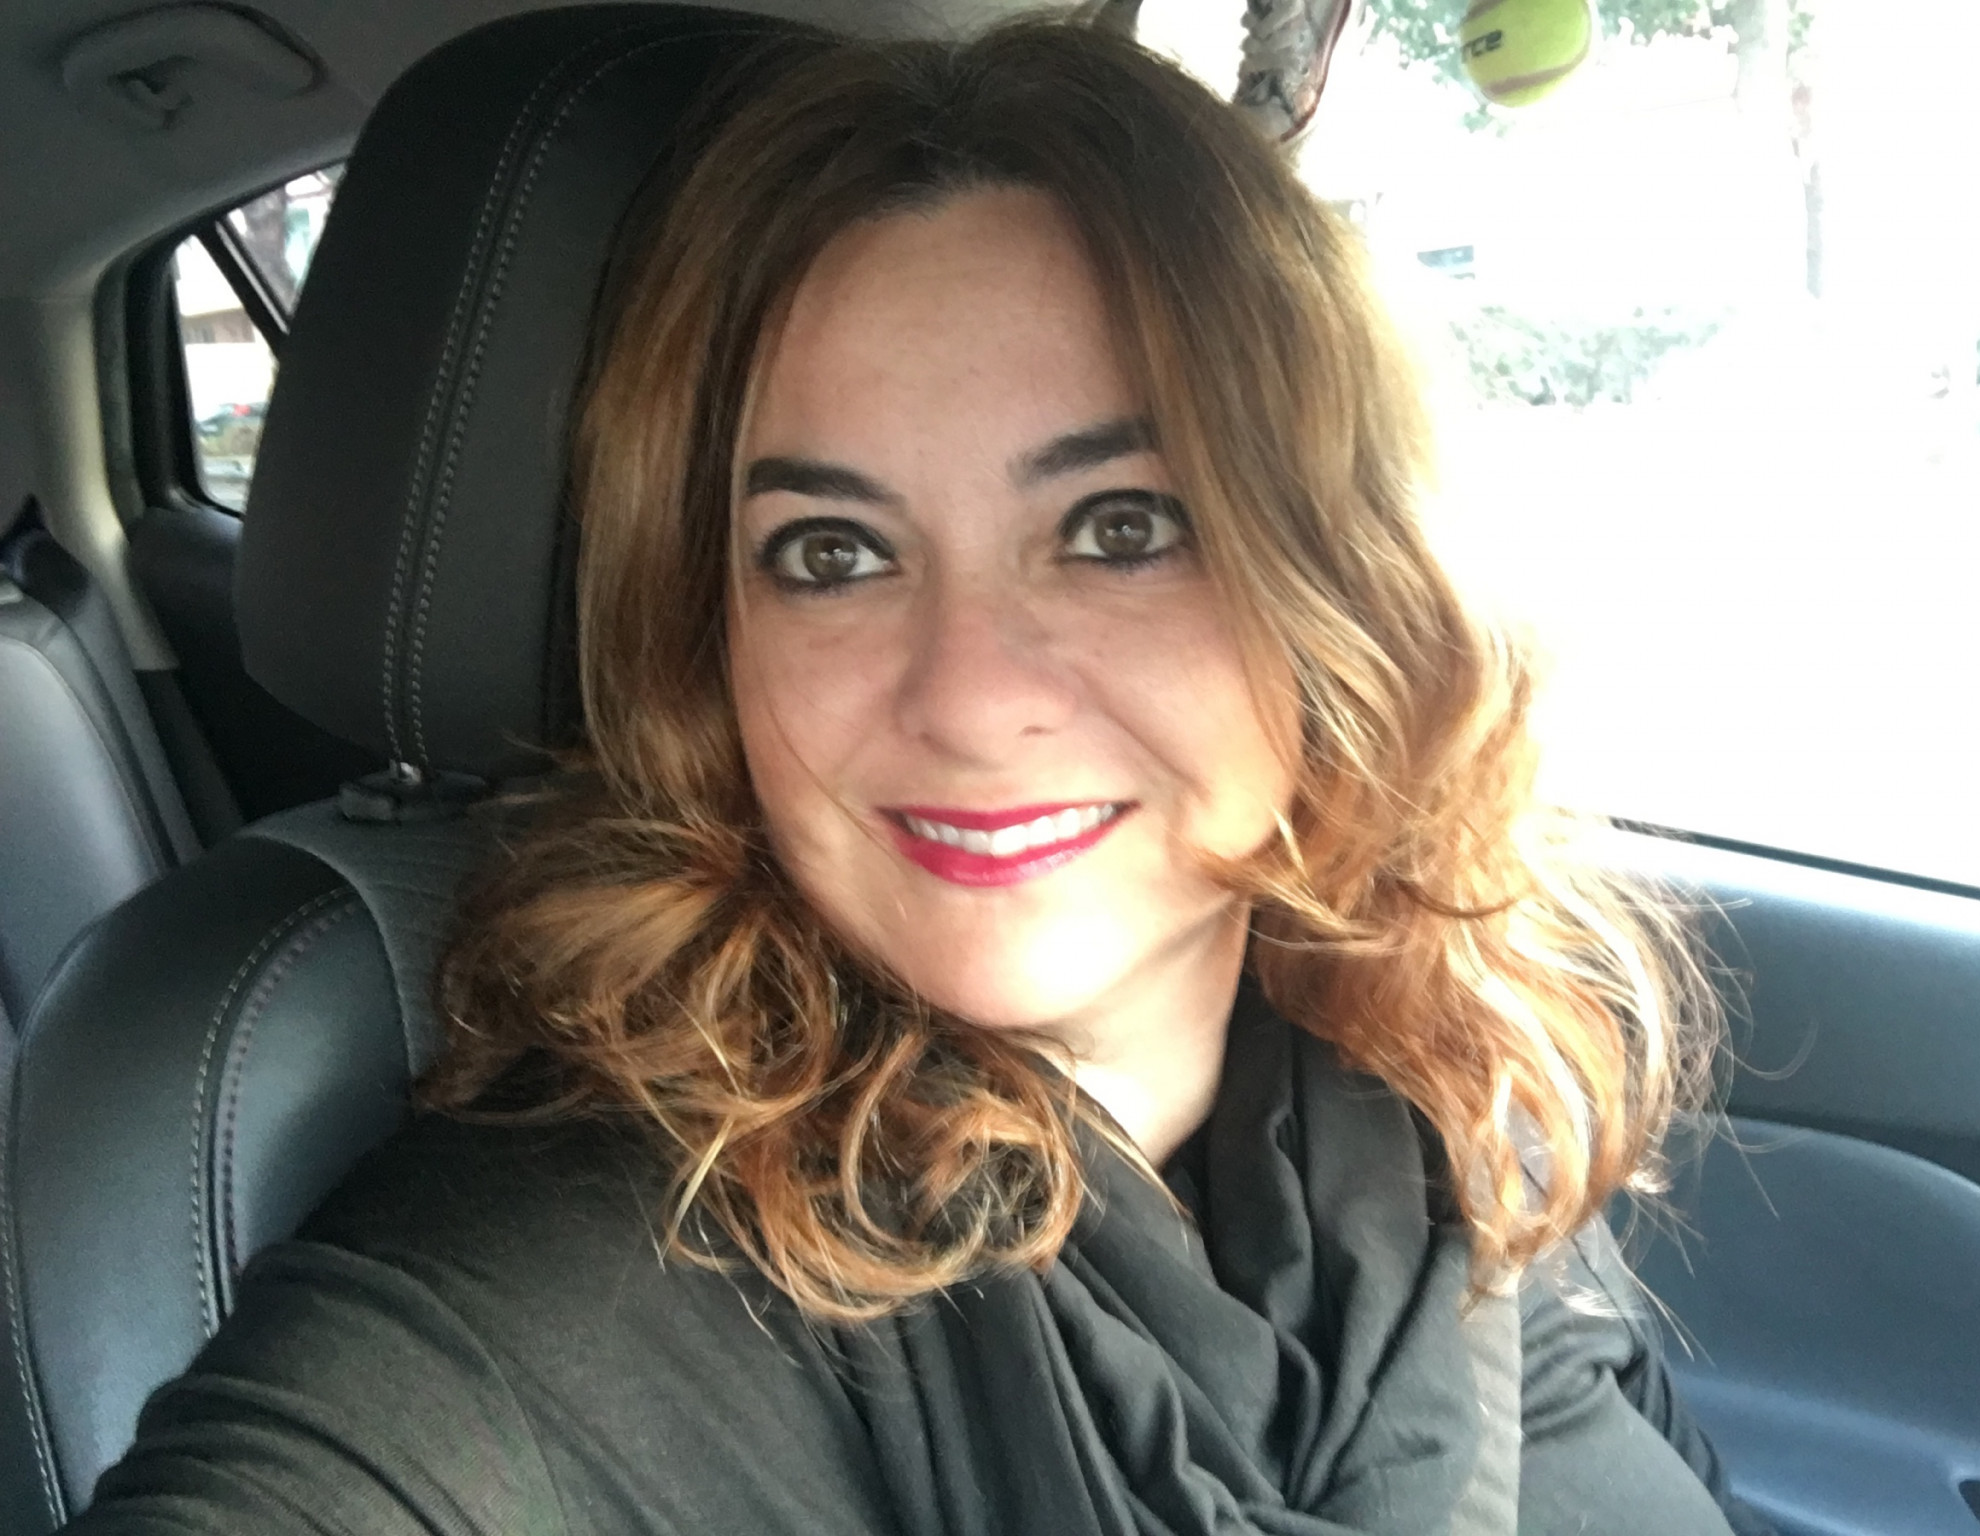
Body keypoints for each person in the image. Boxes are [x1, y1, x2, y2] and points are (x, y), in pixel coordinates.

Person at [66, 18, 1768, 1535]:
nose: (968, 697)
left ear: (1346, 583)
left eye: (1121, 527)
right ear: (714, 644)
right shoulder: (588, 1275)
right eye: (832, 554)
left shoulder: (1430, 1109)